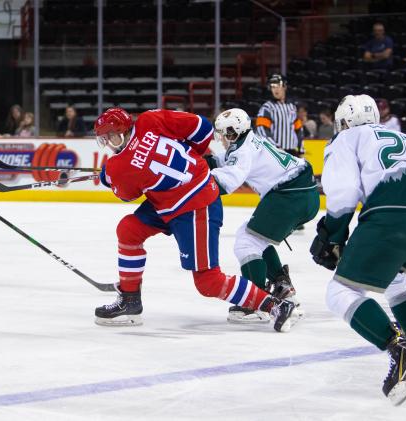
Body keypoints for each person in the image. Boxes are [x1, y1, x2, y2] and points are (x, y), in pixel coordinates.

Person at [93, 107, 300, 332]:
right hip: (172, 199)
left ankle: (275, 305)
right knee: (129, 229)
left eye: (108, 137)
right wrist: (193, 155)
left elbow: (127, 194)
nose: (107, 144)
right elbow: (201, 127)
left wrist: (108, 176)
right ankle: (130, 300)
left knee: (208, 281)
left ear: (120, 133)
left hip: (196, 205)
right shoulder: (149, 119)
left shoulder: (118, 166)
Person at [310, 94, 406, 404]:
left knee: (340, 292)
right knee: (395, 278)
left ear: (343, 121)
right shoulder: (401, 136)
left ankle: (400, 352)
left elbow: (344, 194)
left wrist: (331, 235)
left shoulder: (345, 139)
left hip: (394, 218)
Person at [208, 108, 319, 323]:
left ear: (232, 133)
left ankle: (255, 301)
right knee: (253, 236)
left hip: (289, 196)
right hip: (302, 193)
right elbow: (222, 162)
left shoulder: (242, 151)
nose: (221, 138)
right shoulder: (249, 140)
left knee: (246, 243)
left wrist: (193, 181)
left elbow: (227, 181)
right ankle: (282, 286)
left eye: (223, 134)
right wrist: (203, 163)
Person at [255, 74, 303, 156]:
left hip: (292, 152)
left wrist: (300, 148)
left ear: (285, 86)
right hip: (275, 153)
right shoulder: (267, 107)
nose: (275, 89)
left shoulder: (292, 107)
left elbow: (298, 129)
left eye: (278, 86)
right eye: (273, 87)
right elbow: (262, 130)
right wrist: (275, 147)